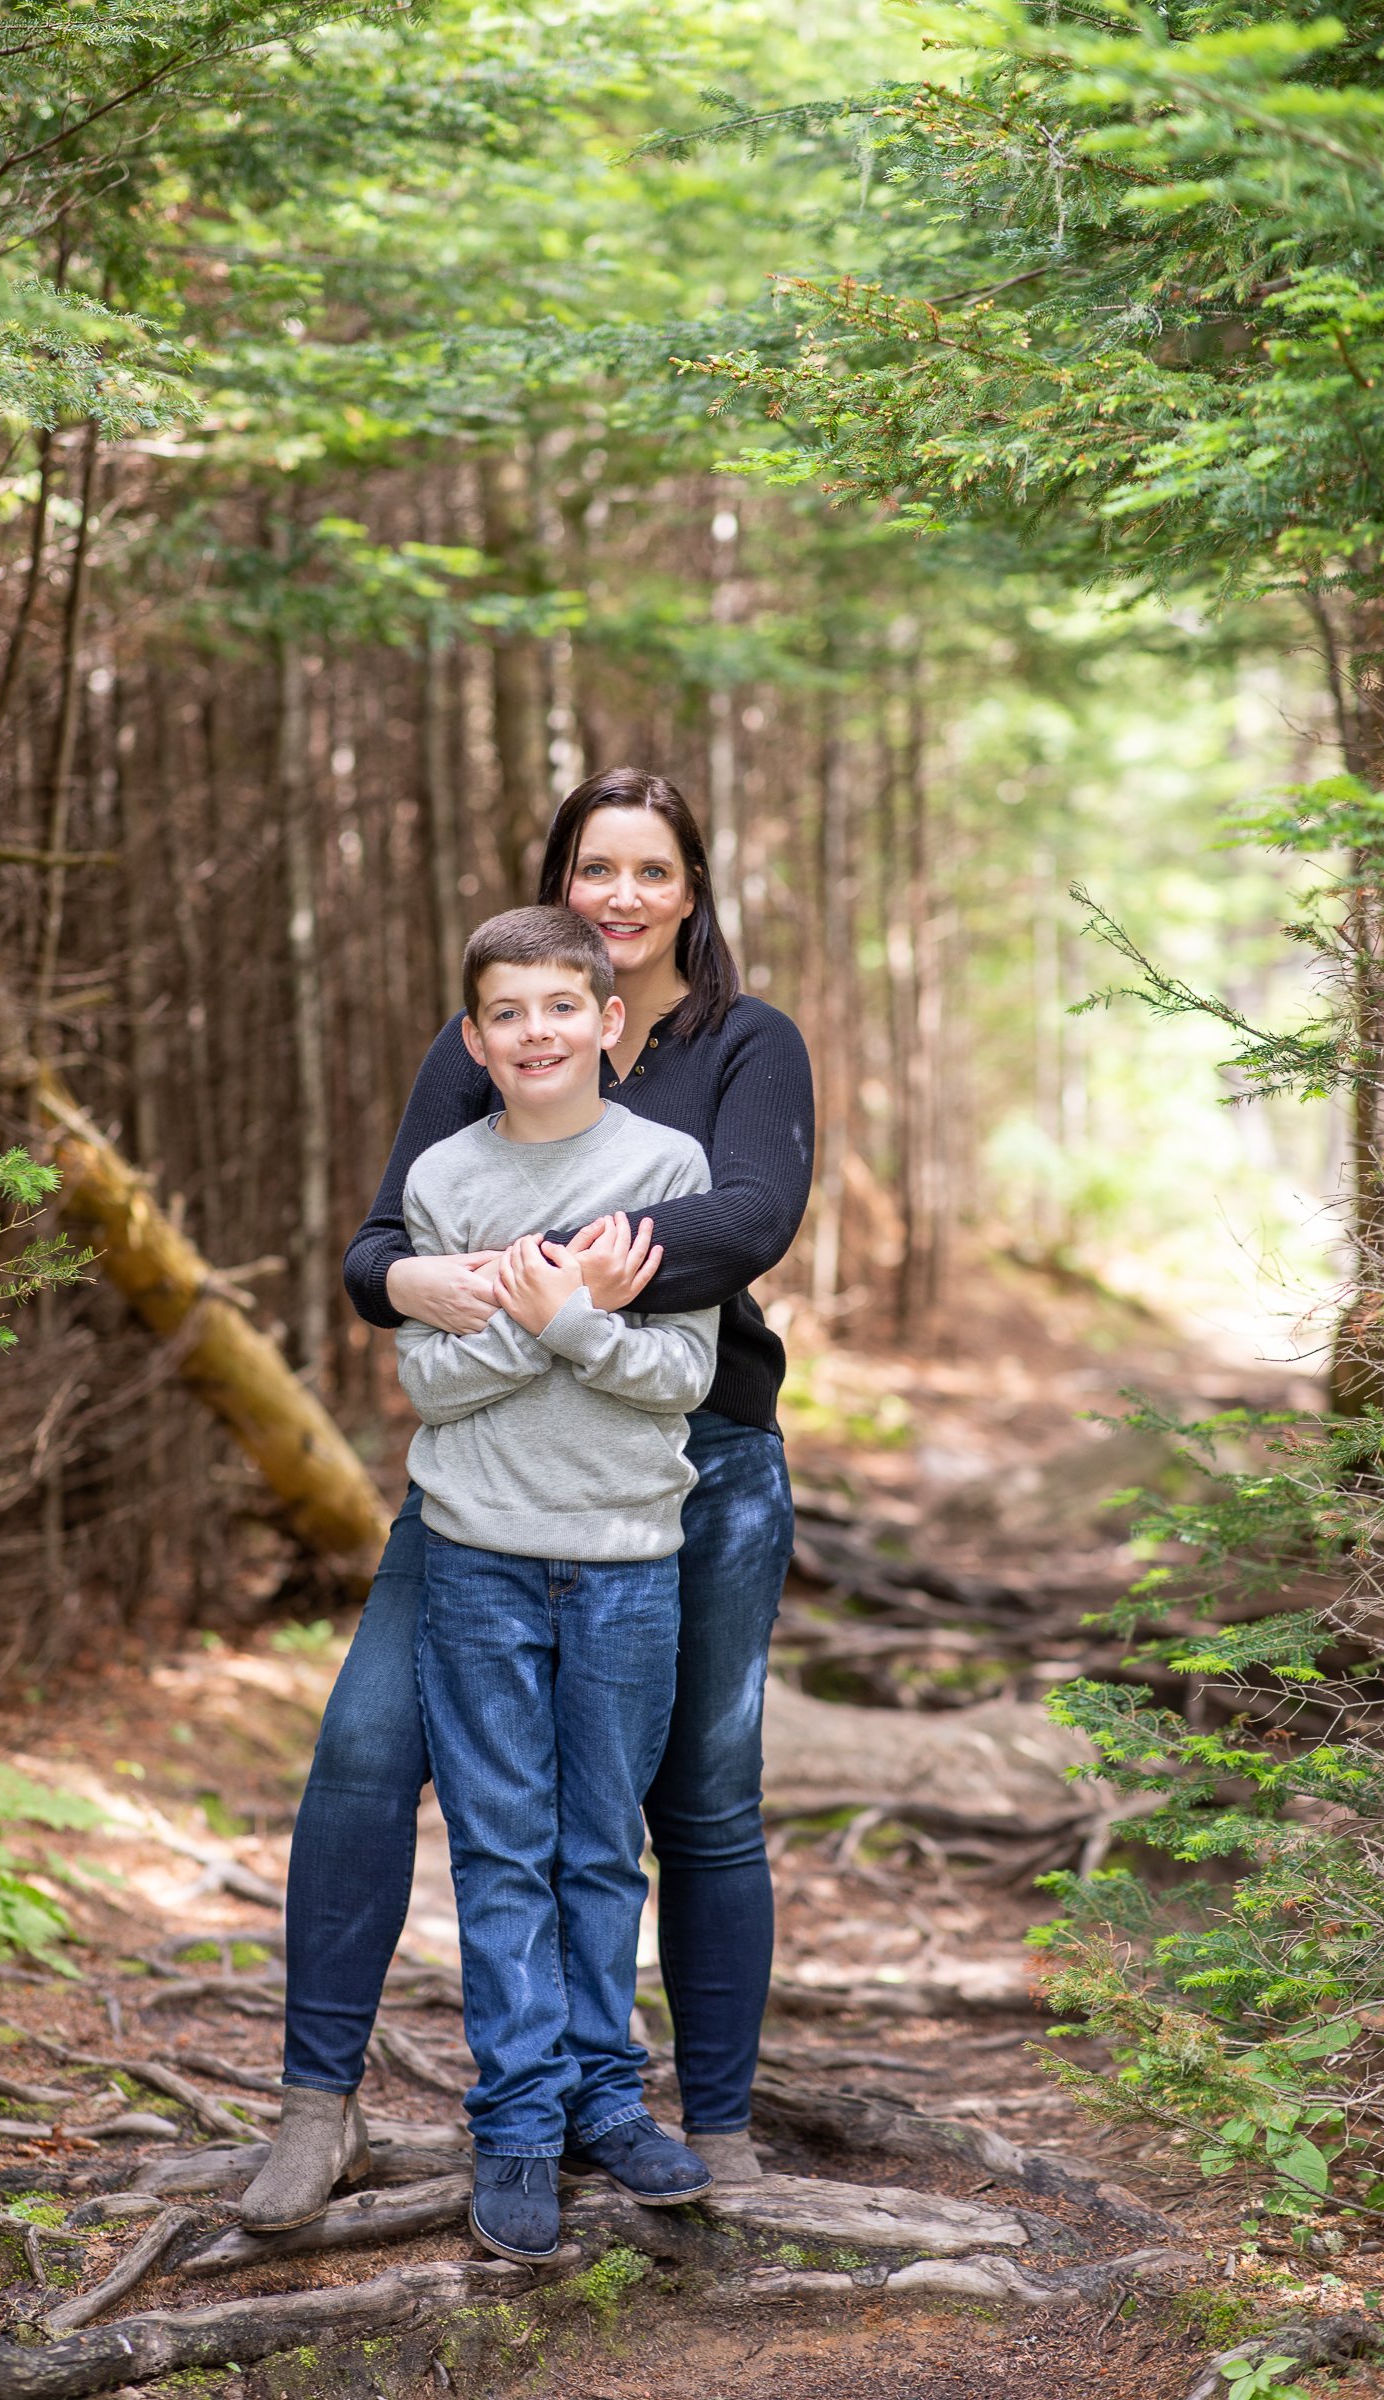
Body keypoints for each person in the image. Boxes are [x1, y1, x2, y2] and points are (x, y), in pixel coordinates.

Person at [241, 766, 813, 2238]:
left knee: (692, 1803)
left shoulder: (743, 1046)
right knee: (368, 1760)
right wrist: (424, 1282)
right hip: (487, 1487)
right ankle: (319, 2107)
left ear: (693, 890)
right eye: (594, 869)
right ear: (559, 883)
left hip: (690, 1465)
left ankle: (713, 2123)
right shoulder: (495, 1025)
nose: (620, 898)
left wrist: (557, 1269)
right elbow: (389, 1245)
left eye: (651, 872)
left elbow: (751, 1219)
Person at [397, 903, 717, 2261]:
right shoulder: (446, 1182)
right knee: (500, 1853)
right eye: (506, 1014)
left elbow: (678, 1382)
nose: (536, 1032)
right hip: (474, 1559)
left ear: (607, 1022)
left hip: (628, 1565)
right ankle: (516, 2121)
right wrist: (555, 1323)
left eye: (559, 1008)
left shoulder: (669, 1163)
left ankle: (606, 2100)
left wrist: (563, 1318)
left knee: (601, 1848)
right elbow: (429, 1383)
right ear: (476, 1038)